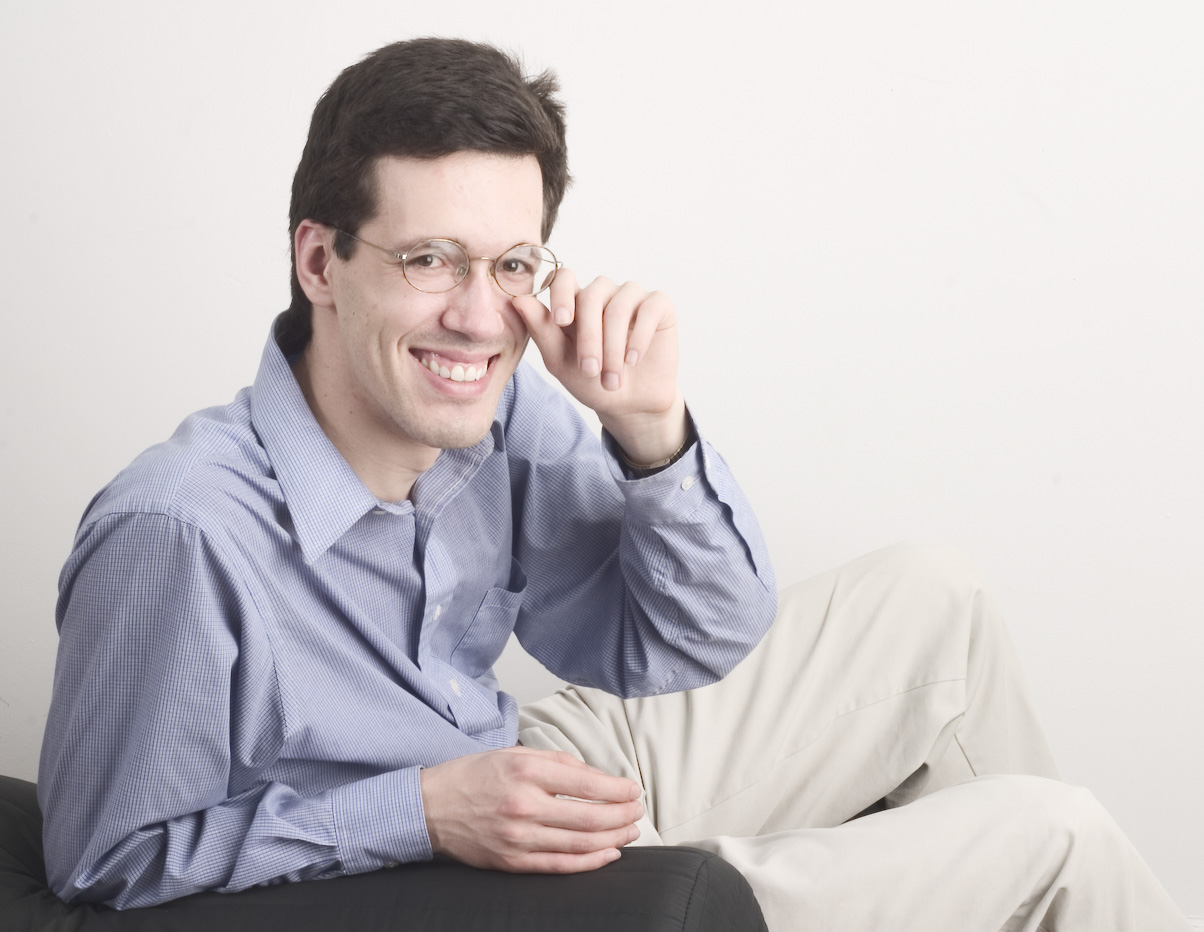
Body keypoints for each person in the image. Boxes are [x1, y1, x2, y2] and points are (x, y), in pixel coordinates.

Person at [39, 37, 1189, 931]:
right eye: (430, 258)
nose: (479, 317)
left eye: (511, 263)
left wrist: (647, 433)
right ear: (318, 261)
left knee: (938, 603)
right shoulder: (182, 531)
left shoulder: (496, 417)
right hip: (453, 881)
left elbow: (682, 642)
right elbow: (102, 861)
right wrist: (420, 810)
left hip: (522, 766)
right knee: (1058, 835)